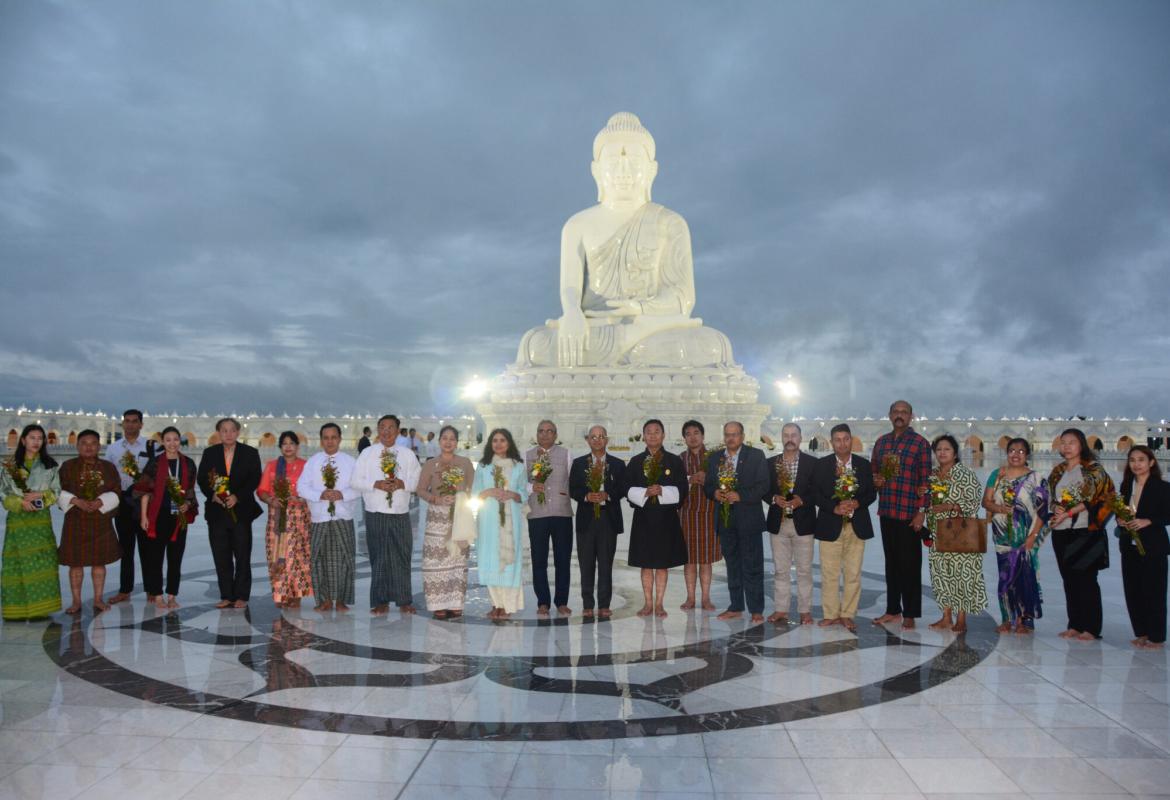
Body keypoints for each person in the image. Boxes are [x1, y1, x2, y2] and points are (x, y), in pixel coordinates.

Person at [1047, 428, 1115, 641]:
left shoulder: (1093, 469)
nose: (1066, 447)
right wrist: (1056, 508)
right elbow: (1051, 497)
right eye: (1063, 442)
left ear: (1081, 445)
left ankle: (1091, 628)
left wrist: (1068, 512)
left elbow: (1097, 497)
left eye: (1072, 442)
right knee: (1069, 578)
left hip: (1085, 531)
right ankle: (1075, 624)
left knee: (1086, 579)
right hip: (1061, 531)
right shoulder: (1058, 471)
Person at [870, 400, 932, 630]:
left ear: (911, 416)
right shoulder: (882, 442)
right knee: (892, 564)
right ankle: (893, 610)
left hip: (908, 513)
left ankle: (910, 613)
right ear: (889, 415)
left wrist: (921, 512)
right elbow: (873, 469)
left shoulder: (920, 443)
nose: (899, 415)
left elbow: (926, 480)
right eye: (896, 411)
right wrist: (876, 480)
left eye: (904, 412)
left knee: (910, 565)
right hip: (887, 511)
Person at [352, 414, 421, 615]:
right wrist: (376, 484)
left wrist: (402, 483)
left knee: (402, 555)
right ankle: (380, 601)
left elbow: (418, 481)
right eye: (382, 427)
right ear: (378, 430)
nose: (386, 431)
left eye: (391, 427)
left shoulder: (407, 455)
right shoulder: (367, 453)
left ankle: (404, 600)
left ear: (398, 431)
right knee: (379, 556)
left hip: (400, 512)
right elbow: (355, 481)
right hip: (376, 512)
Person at [811, 424, 876, 631]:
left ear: (851, 440)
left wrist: (857, 503)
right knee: (829, 574)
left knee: (853, 574)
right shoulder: (822, 465)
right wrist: (834, 507)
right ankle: (831, 614)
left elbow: (871, 493)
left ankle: (848, 614)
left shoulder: (863, 465)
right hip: (830, 525)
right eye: (837, 440)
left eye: (846, 439)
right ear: (832, 442)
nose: (842, 443)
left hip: (856, 526)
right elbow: (815, 494)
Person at [704, 421, 769, 623]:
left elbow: (763, 485)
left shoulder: (756, 455)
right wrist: (714, 493)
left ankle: (756, 609)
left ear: (742, 436)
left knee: (752, 565)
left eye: (735, 434)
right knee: (732, 565)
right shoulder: (715, 458)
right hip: (725, 521)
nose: (730, 438)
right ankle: (736, 606)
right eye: (727, 434)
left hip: (749, 520)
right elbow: (708, 486)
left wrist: (740, 496)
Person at [982, 438, 1049, 634]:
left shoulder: (1036, 478)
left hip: (1026, 535)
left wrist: (1033, 536)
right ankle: (1007, 619)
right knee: (1005, 575)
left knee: (1025, 575)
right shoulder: (997, 474)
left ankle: (1025, 620)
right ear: (1007, 453)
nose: (1016, 454)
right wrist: (1000, 508)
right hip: (1002, 534)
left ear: (1027, 454)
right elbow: (986, 502)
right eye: (1012, 450)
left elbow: (1043, 511)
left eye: (1020, 451)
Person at [923, 434, 987, 634]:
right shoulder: (932, 475)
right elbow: (927, 501)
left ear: (955, 453)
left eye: (947, 449)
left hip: (961, 533)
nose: (942, 453)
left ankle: (961, 619)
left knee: (962, 575)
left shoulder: (964, 474)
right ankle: (946, 616)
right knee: (941, 574)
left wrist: (950, 506)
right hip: (938, 531)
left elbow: (974, 502)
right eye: (939, 449)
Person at [197, 417, 263, 609]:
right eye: (224, 430)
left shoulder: (250, 453)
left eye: (232, 430)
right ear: (219, 433)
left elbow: (254, 478)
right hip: (217, 513)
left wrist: (237, 496)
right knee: (221, 555)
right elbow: (202, 478)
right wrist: (213, 495)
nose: (228, 434)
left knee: (242, 554)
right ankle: (226, 595)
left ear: (238, 432)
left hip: (241, 512)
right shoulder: (210, 453)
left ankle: (241, 595)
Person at [625, 419, 688, 618]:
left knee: (662, 564)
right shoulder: (636, 461)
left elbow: (683, 489)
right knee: (645, 563)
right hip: (643, 518)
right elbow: (626, 488)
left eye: (656, 431)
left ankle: (659, 604)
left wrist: (662, 491)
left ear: (663, 435)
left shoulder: (674, 461)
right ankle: (647, 603)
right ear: (643, 436)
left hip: (666, 519)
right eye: (649, 432)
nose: (652, 435)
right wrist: (645, 492)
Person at [55, 429, 121, 614]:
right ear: (77, 446)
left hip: (100, 520)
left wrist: (100, 502)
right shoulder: (68, 466)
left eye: (93, 443)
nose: (88, 447)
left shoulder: (108, 467)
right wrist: (76, 501)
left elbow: (116, 490)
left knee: (99, 563)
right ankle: (76, 601)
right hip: (75, 521)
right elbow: (57, 490)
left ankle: (98, 599)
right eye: (84, 443)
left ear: (99, 446)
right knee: (75, 564)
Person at [297, 423, 361, 612]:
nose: (330, 441)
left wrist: (342, 494)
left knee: (345, 559)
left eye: (333, 437)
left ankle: (341, 600)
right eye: (326, 438)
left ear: (340, 439)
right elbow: (301, 487)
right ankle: (324, 600)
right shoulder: (313, 462)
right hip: (320, 517)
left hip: (343, 516)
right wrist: (320, 495)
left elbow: (359, 487)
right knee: (319, 558)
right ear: (321, 440)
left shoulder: (350, 462)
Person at [1, 424, 62, 619]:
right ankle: (16, 611)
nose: (36, 442)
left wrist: (39, 497)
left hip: (40, 520)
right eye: (32, 438)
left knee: (42, 562)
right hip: (18, 520)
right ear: (23, 440)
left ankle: (41, 609)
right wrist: (20, 502)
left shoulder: (49, 465)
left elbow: (56, 491)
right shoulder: (10, 465)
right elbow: (3, 492)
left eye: (40, 438)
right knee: (16, 563)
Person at [135, 426, 198, 609]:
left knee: (175, 557)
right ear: (162, 442)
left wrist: (187, 504)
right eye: (168, 440)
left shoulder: (188, 464)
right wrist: (144, 517)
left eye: (176, 439)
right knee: (155, 558)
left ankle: (172, 595)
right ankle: (157, 595)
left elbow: (190, 491)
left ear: (180, 441)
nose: (172, 443)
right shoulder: (155, 463)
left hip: (179, 517)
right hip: (157, 516)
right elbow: (144, 491)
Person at [416, 425, 474, 619]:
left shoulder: (465, 463)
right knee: (436, 561)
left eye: (452, 439)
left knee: (457, 559)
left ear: (457, 442)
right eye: (445, 438)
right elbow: (420, 490)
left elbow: (472, 488)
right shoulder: (430, 464)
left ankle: (456, 602)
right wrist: (436, 499)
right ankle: (438, 603)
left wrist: (461, 496)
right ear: (439, 441)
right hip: (437, 518)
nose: (448, 442)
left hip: (459, 516)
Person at [568, 425, 626, 618]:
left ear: (606, 440)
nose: (597, 440)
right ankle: (587, 603)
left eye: (601, 436)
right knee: (586, 563)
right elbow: (573, 489)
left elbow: (623, 488)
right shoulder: (579, 464)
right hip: (586, 519)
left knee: (605, 564)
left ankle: (604, 604)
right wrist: (586, 496)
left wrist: (608, 494)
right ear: (588, 440)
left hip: (608, 519)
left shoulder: (617, 464)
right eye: (593, 437)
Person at [1116, 445, 1169, 649]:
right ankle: (1142, 632)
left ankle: (1156, 636)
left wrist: (1149, 521)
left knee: (1154, 591)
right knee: (1133, 590)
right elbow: (1121, 509)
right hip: (1129, 545)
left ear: (1151, 462)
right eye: (1132, 460)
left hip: (1153, 546)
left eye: (1141, 460)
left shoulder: (1162, 487)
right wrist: (1120, 519)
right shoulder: (1126, 486)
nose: (1136, 464)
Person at [765, 423, 818, 625]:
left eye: (793, 435)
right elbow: (764, 489)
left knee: (804, 570)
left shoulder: (812, 463)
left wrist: (801, 500)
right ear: (781, 437)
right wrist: (773, 498)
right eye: (786, 435)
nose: (790, 439)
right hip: (778, 524)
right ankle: (781, 609)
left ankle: (805, 611)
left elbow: (818, 492)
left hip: (803, 524)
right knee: (780, 570)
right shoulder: (771, 463)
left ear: (800, 438)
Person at [473, 428, 528, 619]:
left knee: (509, 559)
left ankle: (507, 606)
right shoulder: (483, 466)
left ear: (509, 443)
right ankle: (496, 603)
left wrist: (512, 494)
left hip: (511, 519)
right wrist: (489, 492)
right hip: (488, 519)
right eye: (495, 440)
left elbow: (524, 493)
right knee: (490, 559)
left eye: (502, 440)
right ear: (490, 444)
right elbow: (475, 493)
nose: (498, 444)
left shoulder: (518, 466)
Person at [105, 409, 156, 604]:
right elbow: (108, 475)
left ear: (141, 424)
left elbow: (158, 473)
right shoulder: (114, 449)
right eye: (127, 421)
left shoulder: (151, 446)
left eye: (135, 421)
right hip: (124, 501)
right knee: (126, 548)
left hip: (145, 502)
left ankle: (151, 590)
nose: (130, 424)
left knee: (147, 547)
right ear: (123, 424)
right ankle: (125, 590)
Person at [524, 419, 574, 616]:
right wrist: (531, 487)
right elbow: (519, 484)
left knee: (563, 559)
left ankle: (561, 601)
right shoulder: (527, 456)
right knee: (539, 560)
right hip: (537, 514)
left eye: (549, 431)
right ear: (536, 434)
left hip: (562, 513)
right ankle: (543, 602)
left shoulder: (566, 454)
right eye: (541, 431)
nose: (545, 434)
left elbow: (572, 481)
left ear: (556, 435)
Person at [257, 431, 311, 609]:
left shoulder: (306, 466)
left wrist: (300, 498)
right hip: (277, 517)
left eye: (291, 443)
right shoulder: (272, 466)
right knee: (277, 555)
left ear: (297, 446)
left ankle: (296, 594)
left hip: (299, 517)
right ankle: (281, 593)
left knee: (297, 555)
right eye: (284, 443)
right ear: (280, 447)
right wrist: (270, 500)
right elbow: (262, 491)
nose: (288, 447)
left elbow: (312, 489)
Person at [679, 420, 720, 611]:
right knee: (688, 559)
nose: (693, 437)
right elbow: (674, 485)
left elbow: (724, 482)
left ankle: (705, 598)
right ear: (684, 438)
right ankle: (690, 598)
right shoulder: (680, 459)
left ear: (703, 436)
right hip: (686, 515)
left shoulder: (715, 458)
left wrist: (708, 479)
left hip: (708, 513)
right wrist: (690, 479)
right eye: (688, 434)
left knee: (705, 559)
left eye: (696, 433)